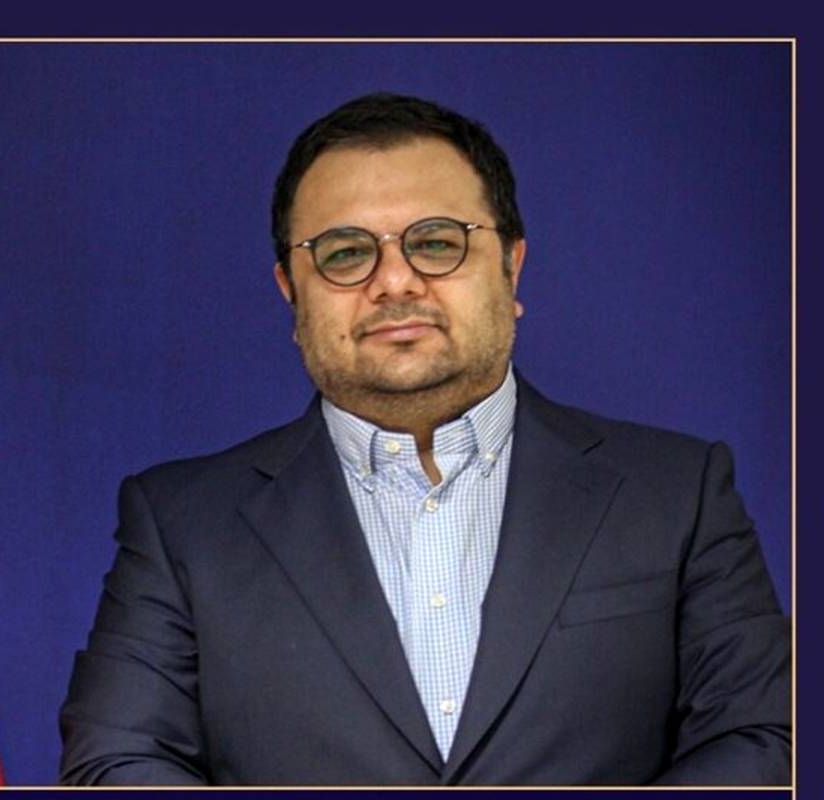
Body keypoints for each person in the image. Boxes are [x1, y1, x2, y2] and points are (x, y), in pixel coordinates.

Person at [57, 93, 790, 786]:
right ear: (291, 291)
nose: (395, 282)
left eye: (437, 242)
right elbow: (115, 763)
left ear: (511, 266)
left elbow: (767, 738)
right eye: (345, 253)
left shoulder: (677, 492)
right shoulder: (182, 523)